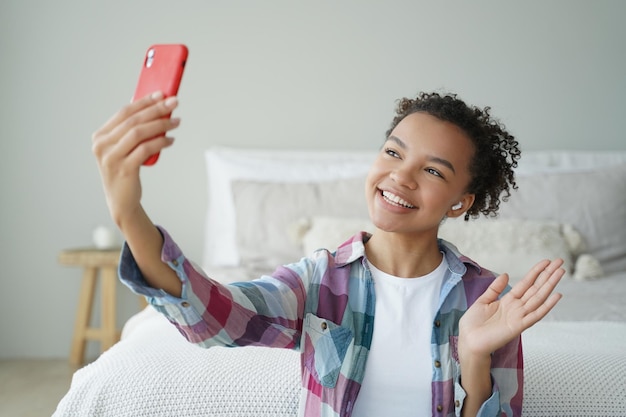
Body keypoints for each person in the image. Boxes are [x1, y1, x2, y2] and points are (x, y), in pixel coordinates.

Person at [92, 91, 564, 417]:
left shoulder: (487, 300)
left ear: (461, 202)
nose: (401, 177)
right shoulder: (318, 280)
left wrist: (476, 358)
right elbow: (215, 318)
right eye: (394, 153)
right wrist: (130, 213)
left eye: (434, 172)